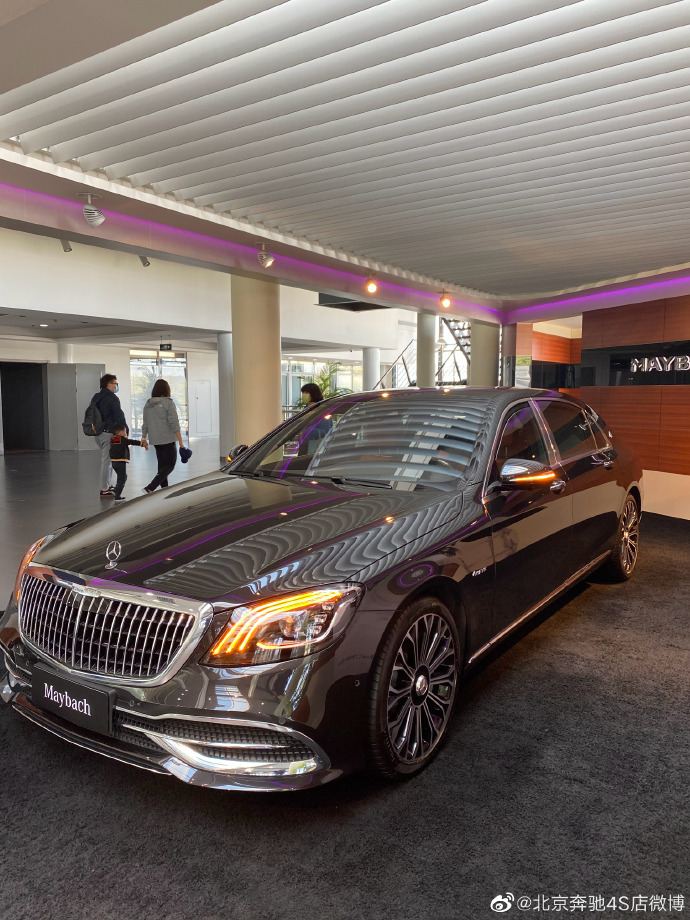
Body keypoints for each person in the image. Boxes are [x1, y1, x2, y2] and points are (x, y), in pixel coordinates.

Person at [141, 379, 185, 492]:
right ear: (167, 390)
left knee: (162, 466)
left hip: (155, 439)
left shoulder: (148, 404)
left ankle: (164, 489)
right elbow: (174, 423)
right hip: (167, 439)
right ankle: (150, 487)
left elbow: (145, 423)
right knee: (170, 465)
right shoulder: (168, 403)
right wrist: (181, 442)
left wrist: (143, 438)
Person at [90, 373, 128, 498]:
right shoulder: (112, 398)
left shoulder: (96, 397)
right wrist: (125, 430)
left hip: (98, 433)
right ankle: (104, 489)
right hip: (108, 434)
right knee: (107, 461)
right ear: (109, 384)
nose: (116, 386)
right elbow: (119, 416)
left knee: (109, 460)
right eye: (115, 383)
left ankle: (107, 484)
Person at [109, 425, 146, 502]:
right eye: (125, 431)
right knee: (122, 478)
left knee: (122, 477)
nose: (126, 433)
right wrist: (141, 443)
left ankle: (115, 490)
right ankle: (117, 496)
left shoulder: (113, 438)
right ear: (120, 433)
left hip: (114, 461)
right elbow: (131, 442)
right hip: (120, 462)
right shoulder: (122, 439)